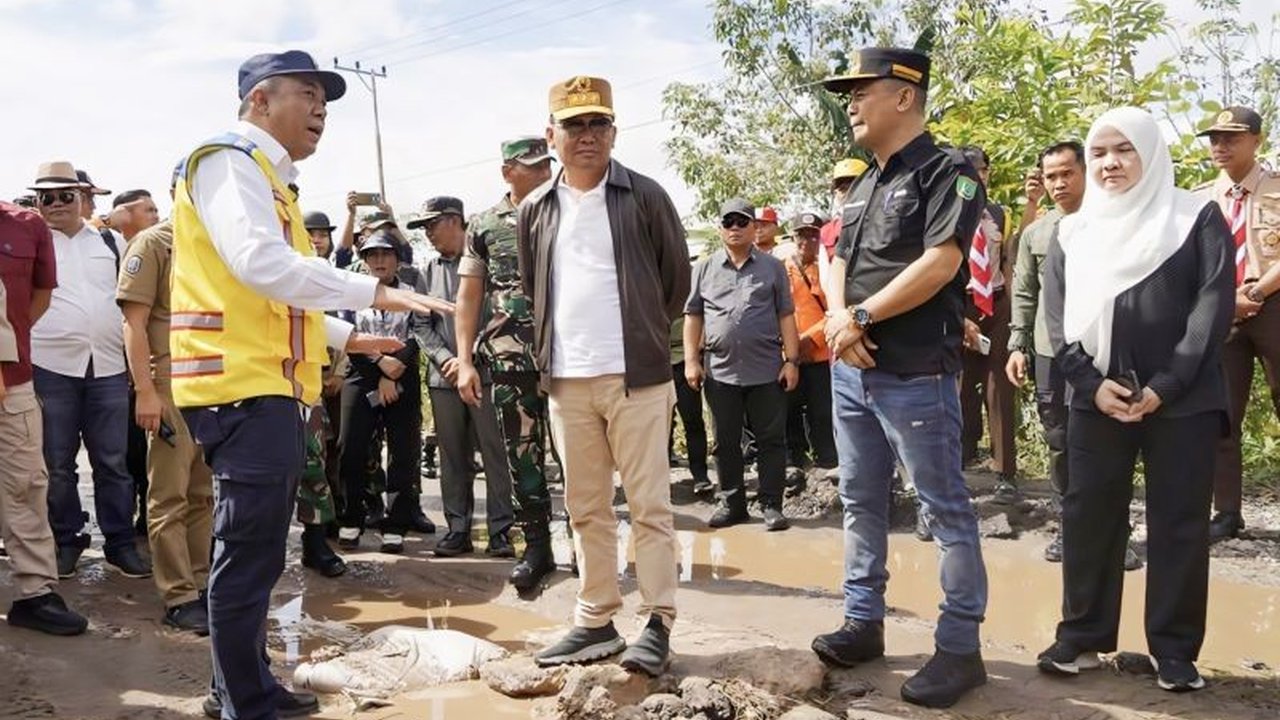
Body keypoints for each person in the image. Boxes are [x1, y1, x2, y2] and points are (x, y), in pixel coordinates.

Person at [169, 49, 450, 720]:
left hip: (262, 385)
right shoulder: (231, 160)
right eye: (308, 93)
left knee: (259, 553)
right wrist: (371, 288)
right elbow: (261, 266)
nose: (321, 108)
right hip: (241, 386)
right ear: (260, 101)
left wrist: (346, 336)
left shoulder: (267, 179)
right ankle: (242, 700)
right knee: (247, 554)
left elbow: (271, 297)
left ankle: (241, 687)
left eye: (325, 98)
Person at [810, 48, 990, 709]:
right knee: (860, 502)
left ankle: (960, 647)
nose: (850, 102)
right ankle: (864, 622)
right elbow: (834, 254)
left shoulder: (951, 173)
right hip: (852, 372)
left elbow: (942, 264)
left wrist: (859, 316)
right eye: (847, 92)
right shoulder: (864, 183)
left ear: (905, 97)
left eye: (862, 90)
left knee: (943, 509)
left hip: (913, 371)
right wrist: (838, 321)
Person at [1038, 106, 1232, 693]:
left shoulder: (1195, 215)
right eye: (1099, 152)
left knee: (1178, 522)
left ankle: (1174, 650)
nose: (1110, 162)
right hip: (1096, 397)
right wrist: (1090, 384)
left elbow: (1211, 307)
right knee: (1088, 515)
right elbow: (1057, 318)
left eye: (1124, 149)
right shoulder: (1073, 231)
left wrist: (1165, 386)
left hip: (1182, 397)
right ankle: (1081, 634)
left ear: (1150, 152)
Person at [522, 75, 690, 677]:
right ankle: (595, 619)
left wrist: (640, 339)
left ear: (614, 132)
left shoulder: (645, 196)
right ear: (552, 136)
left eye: (598, 124)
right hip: (566, 382)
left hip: (636, 380)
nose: (587, 136)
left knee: (650, 507)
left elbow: (676, 284)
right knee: (586, 507)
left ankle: (657, 621)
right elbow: (534, 285)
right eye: (574, 125)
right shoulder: (535, 208)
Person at [28, 161, 151, 580]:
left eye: (66, 195)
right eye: (48, 197)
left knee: (113, 462)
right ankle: (67, 540)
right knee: (57, 463)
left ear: (83, 196)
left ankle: (119, 543)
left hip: (110, 368)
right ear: (38, 201)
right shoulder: (31, 241)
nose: (57, 204)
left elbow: (132, 305)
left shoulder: (112, 241)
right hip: (50, 367)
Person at [454, 136, 560, 591]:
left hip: (569, 352)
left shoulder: (565, 209)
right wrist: (464, 361)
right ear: (507, 172)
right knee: (522, 455)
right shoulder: (484, 224)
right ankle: (536, 546)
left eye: (544, 166)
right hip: (510, 357)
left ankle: (588, 547)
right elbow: (468, 296)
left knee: (582, 456)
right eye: (530, 167)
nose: (541, 174)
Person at [117, 213, 215, 634]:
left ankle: (201, 581)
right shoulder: (153, 244)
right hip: (169, 381)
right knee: (168, 497)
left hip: (211, 382)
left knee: (202, 493)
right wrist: (145, 391)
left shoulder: (214, 242)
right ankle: (178, 595)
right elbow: (134, 323)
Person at [1, 198, 90, 636]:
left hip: (13, 382)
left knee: (27, 485)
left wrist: (7, 350)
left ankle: (35, 594)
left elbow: (39, 297)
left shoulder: (26, 226)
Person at [409, 196, 515, 558]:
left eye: (432, 225)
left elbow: (501, 317)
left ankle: (502, 530)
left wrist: (472, 356)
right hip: (444, 379)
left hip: (489, 375)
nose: (428, 234)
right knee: (453, 457)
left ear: (455, 221)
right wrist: (447, 359)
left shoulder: (486, 261)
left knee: (496, 453)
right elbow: (420, 324)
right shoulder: (428, 271)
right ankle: (458, 529)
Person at [685, 198, 799, 532]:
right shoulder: (704, 268)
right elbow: (693, 315)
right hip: (720, 371)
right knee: (725, 441)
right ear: (720, 228)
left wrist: (791, 361)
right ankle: (732, 503)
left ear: (754, 227)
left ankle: (771, 504)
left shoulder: (772, 267)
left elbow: (785, 315)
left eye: (742, 222)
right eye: (728, 222)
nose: (734, 228)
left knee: (771, 440)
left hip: (766, 370)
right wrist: (692, 360)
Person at [1196, 106, 1280, 540]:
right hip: (1222, 312)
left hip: (1273, 303)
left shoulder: (1277, 190)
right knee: (1222, 413)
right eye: (1214, 138)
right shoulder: (1200, 198)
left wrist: (1256, 292)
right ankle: (1226, 512)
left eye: (1231, 137)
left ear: (1257, 140)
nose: (1220, 146)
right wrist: (1223, 302)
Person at [334, 232, 428, 556]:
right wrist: (380, 364)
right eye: (372, 255)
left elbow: (419, 334)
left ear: (397, 259)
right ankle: (352, 518)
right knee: (351, 447)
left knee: (403, 450)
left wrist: (395, 368)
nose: (379, 261)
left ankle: (396, 524)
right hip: (361, 373)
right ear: (364, 260)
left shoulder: (411, 292)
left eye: (385, 254)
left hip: (404, 374)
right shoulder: (351, 292)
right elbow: (346, 333)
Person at [958, 146, 1019, 502]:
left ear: (988, 172)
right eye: (967, 169)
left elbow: (1008, 263)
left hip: (996, 305)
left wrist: (1011, 312)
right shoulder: (947, 212)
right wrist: (957, 316)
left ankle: (1004, 473)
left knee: (999, 389)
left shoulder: (1001, 215)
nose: (975, 175)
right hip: (961, 305)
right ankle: (961, 463)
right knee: (961, 389)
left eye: (980, 169)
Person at [783, 212, 837, 476]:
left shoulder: (828, 269)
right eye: (802, 234)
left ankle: (827, 459)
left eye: (813, 234)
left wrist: (810, 339)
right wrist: (791, 345)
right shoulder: (781, 268)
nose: (807, 240)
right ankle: (794, 460)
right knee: (788, 410)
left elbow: (835, 311)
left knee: (822, 410)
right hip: (787, 354)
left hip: (819, 353)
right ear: (794, 237)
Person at [668, 313, 711, 494]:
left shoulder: (688, 286)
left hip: (686, 359)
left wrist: (697, 352)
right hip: (657, 362)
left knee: (692, 419)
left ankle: (700, 475)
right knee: (660, 425)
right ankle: (660, 478)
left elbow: (700, 315)